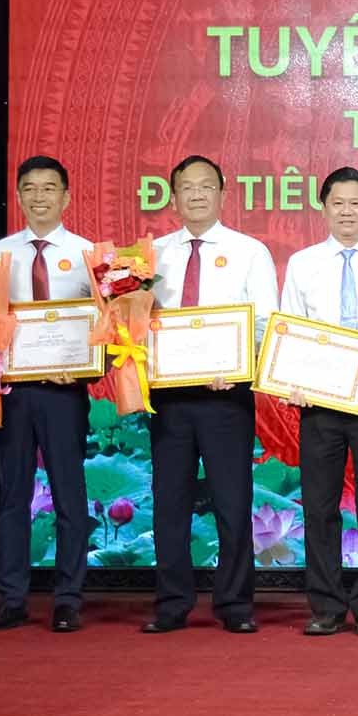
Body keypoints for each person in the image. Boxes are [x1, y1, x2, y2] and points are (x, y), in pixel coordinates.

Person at [145, 155, 278, 635]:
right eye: (187, 187)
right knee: (169, 501)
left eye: (206, 186)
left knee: (232, 500)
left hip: (226, 397)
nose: (197, 194)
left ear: (223, 193)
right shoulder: (150, 256)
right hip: (168, 398)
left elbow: (264, 322)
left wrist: (238, 366)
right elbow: (134, 323)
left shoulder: (249, 251)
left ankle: (235, 603)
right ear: (173, 197)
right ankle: (171, 601)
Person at [277, 166, 358, 638]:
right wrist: (290, 380)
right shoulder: (303, 263)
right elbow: (289, 326)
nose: (347, 211)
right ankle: (326, 604)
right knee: (319, 505)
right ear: (324, 207)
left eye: (356, 203)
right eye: (338, 203)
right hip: (319, 397)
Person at [0, 155, 94, 634]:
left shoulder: (88, 254)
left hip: (64, 392)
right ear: (19, 196)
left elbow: (106, 325)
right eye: (30, 188)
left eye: (49, 188)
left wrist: (87, 367)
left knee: (69, 494)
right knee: (13, 495)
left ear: (66, 197)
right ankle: (12, 598)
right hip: (12, 390)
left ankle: (68, 599)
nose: (40, 196)